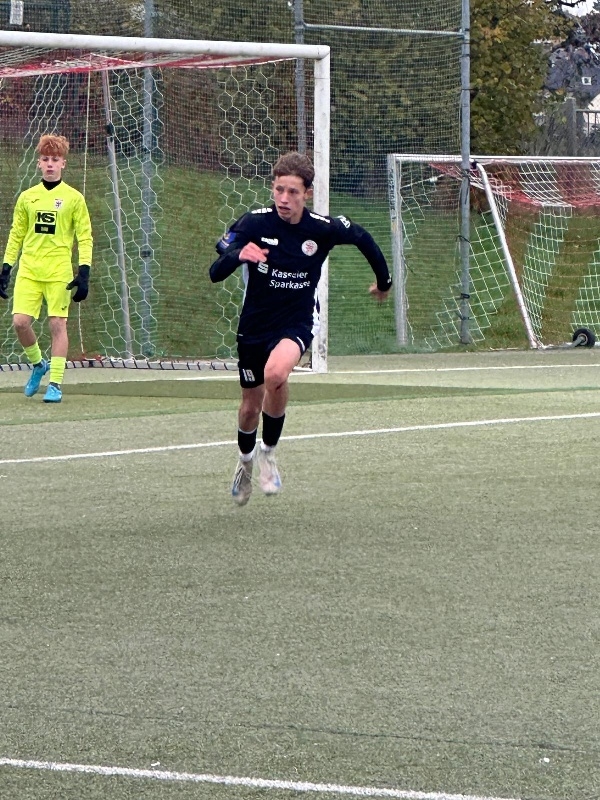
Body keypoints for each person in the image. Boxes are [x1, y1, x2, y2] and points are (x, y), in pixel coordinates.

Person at [209, 151, 392, 506]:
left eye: (293, 192)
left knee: (276, 374)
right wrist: (238, 255)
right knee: (249, 407)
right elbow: (216, 270)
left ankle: (269, 453)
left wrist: (384, 282)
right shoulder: (254, 223)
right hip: (255, 324)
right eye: (279, 189)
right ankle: (245, 462)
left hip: (297, 319)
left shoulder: (320, 229)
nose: (284, 199)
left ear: (307, 193)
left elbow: (362, 237)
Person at [0, 133, 92, 403]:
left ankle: (55, 384)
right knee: (20, 322)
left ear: (63, 163)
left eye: (54, 159)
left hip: (58, 272)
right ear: (38, 163)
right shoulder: (27, 198)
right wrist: (6, 267)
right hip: (29, 270)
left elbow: (85, 236)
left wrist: (84, 271)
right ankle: (39, 364)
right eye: (45, 159)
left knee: (57, 324)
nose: (50, 164)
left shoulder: (74, 198)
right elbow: (16, 234)